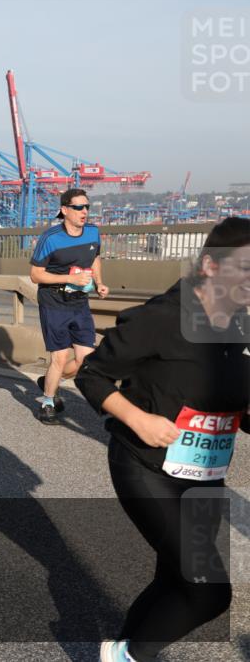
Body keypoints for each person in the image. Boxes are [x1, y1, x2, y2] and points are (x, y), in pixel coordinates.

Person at [76, 217, 250, 662]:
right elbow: (92, 374)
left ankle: (121, 653)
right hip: (147, 466)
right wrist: (138, 419)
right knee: (210, 593)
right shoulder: (162, 318)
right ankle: (127, 656)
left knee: (175, 581)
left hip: (204, 475)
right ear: (210, 266)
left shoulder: (238, 326)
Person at [29, 188, 109, 424]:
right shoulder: (50, 238)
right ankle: (48, 403)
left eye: (87, 207)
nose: (84, 211)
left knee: (87, 359)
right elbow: (35, 275)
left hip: (79, 302)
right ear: (65, 210)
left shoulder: (93, 233)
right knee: (60, 357)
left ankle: (49, 381)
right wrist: (69, 279)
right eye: (78, 207)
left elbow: (95, 257)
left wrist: (99, 283)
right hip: (54, 302)